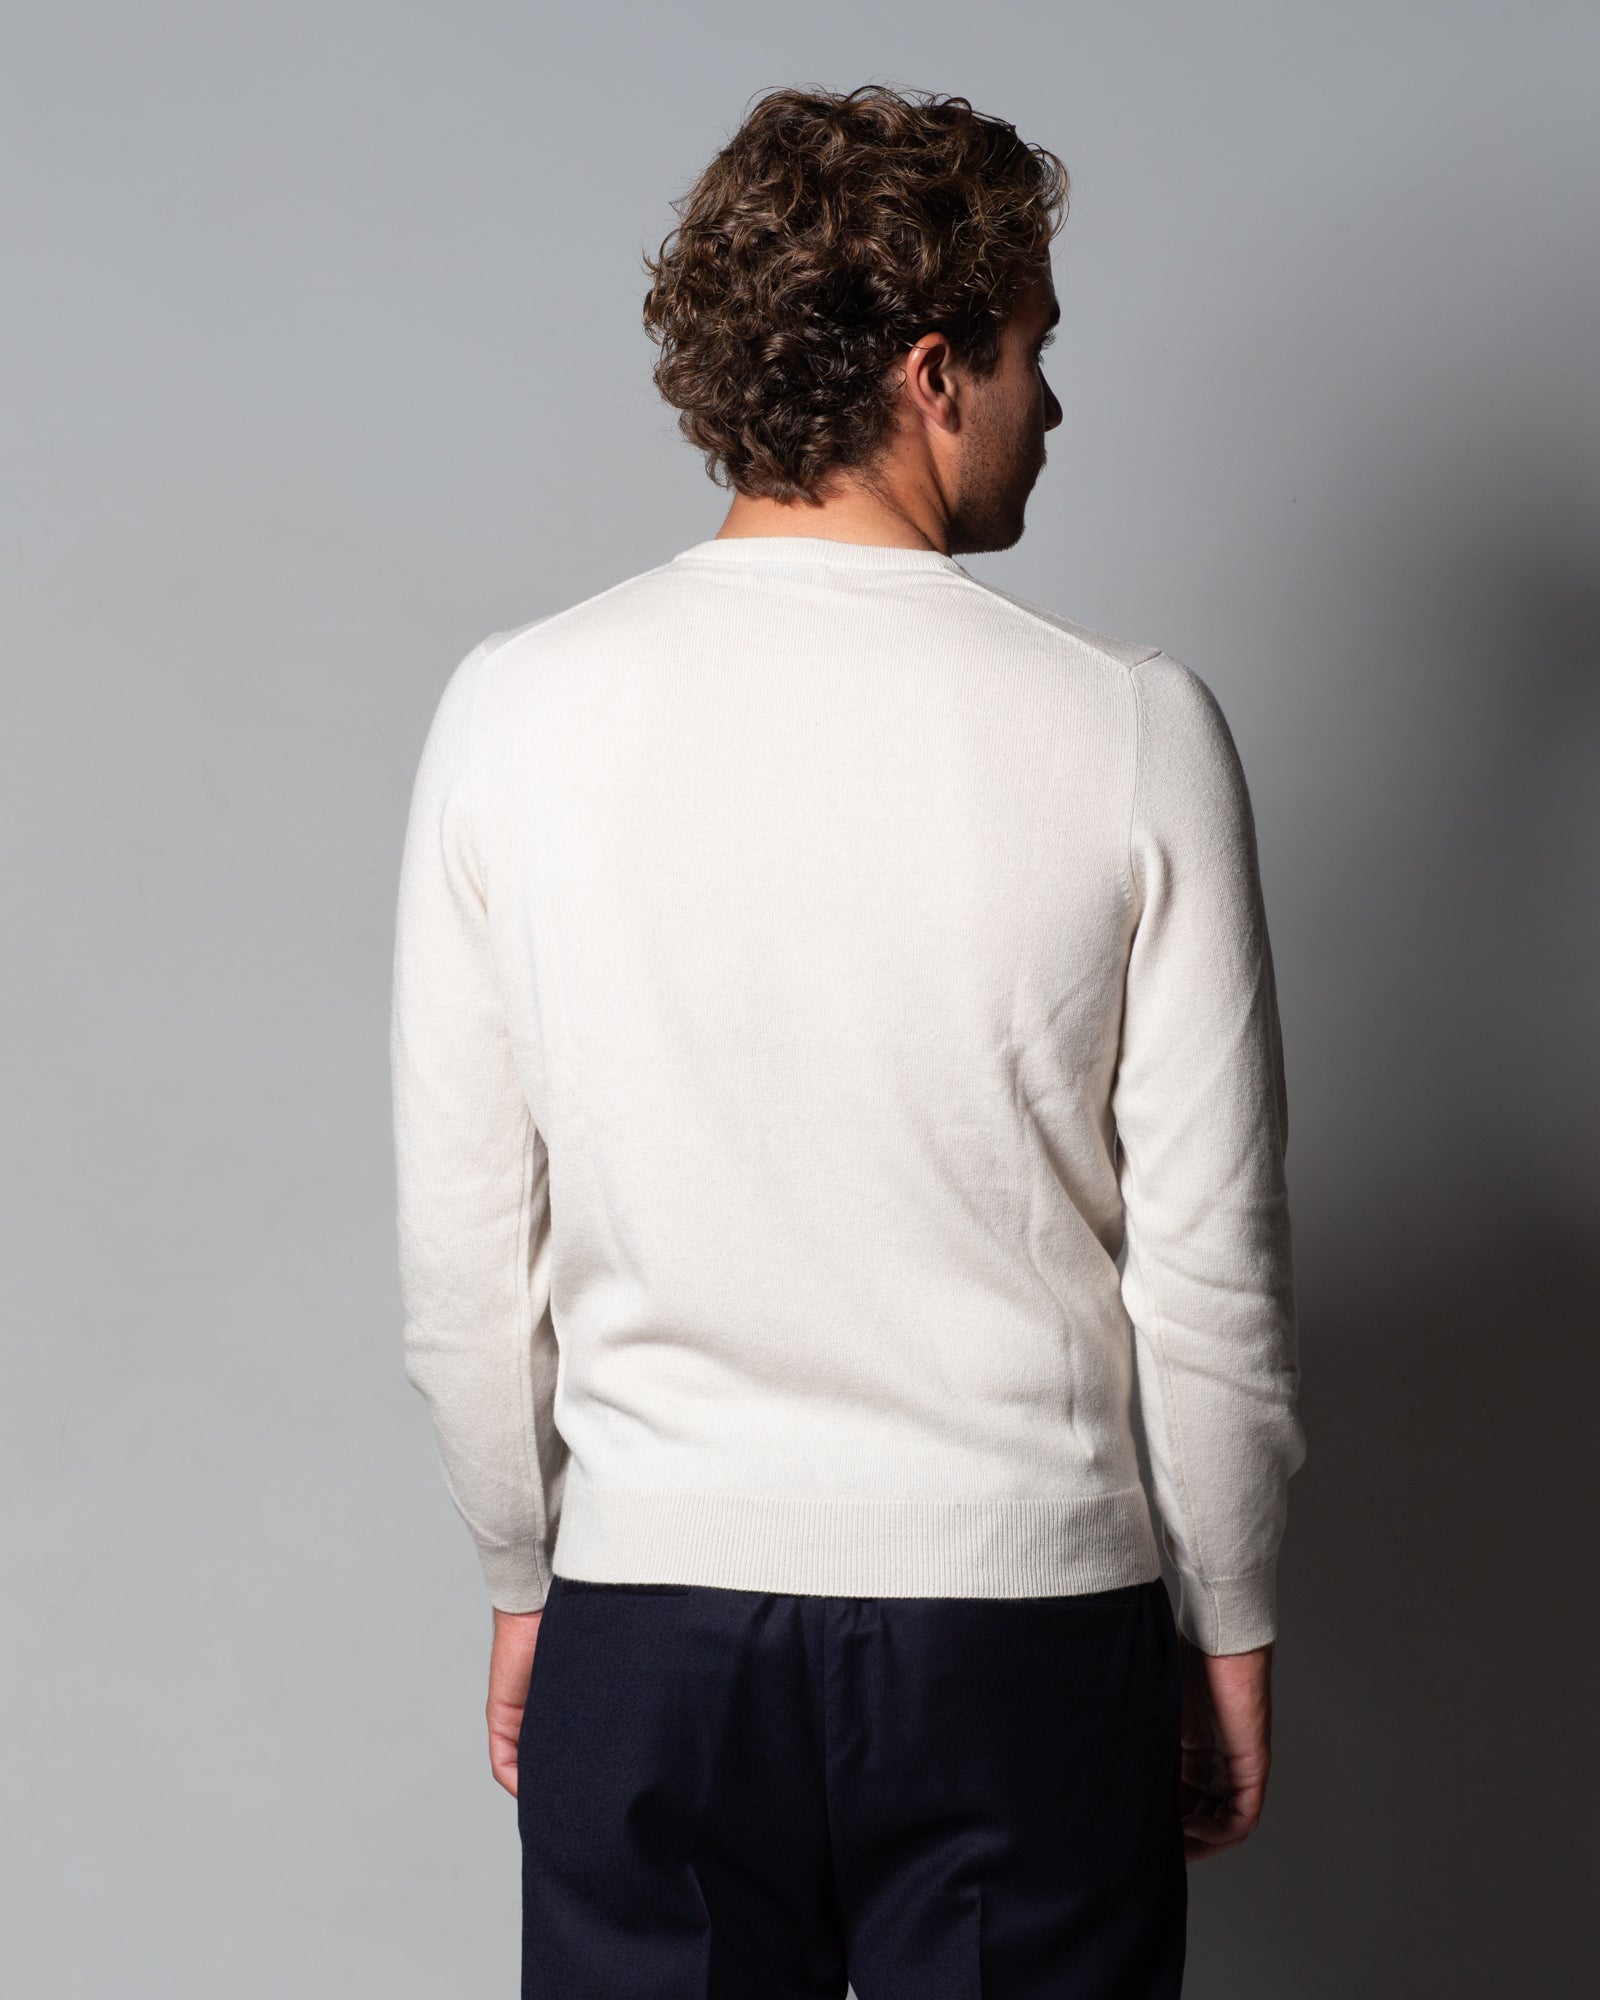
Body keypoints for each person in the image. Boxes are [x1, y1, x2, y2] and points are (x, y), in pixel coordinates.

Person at [390, 82, 1306, 1999]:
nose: (1057, 402)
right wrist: (1230, 1616)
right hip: (1021, 1633)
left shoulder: (515, 708)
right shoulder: (1129, 725)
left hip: (652, 1618)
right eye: (1036, 347)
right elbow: (1209, 1271)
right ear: (933, 372)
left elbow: (470, 1252)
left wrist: (521, 1573)